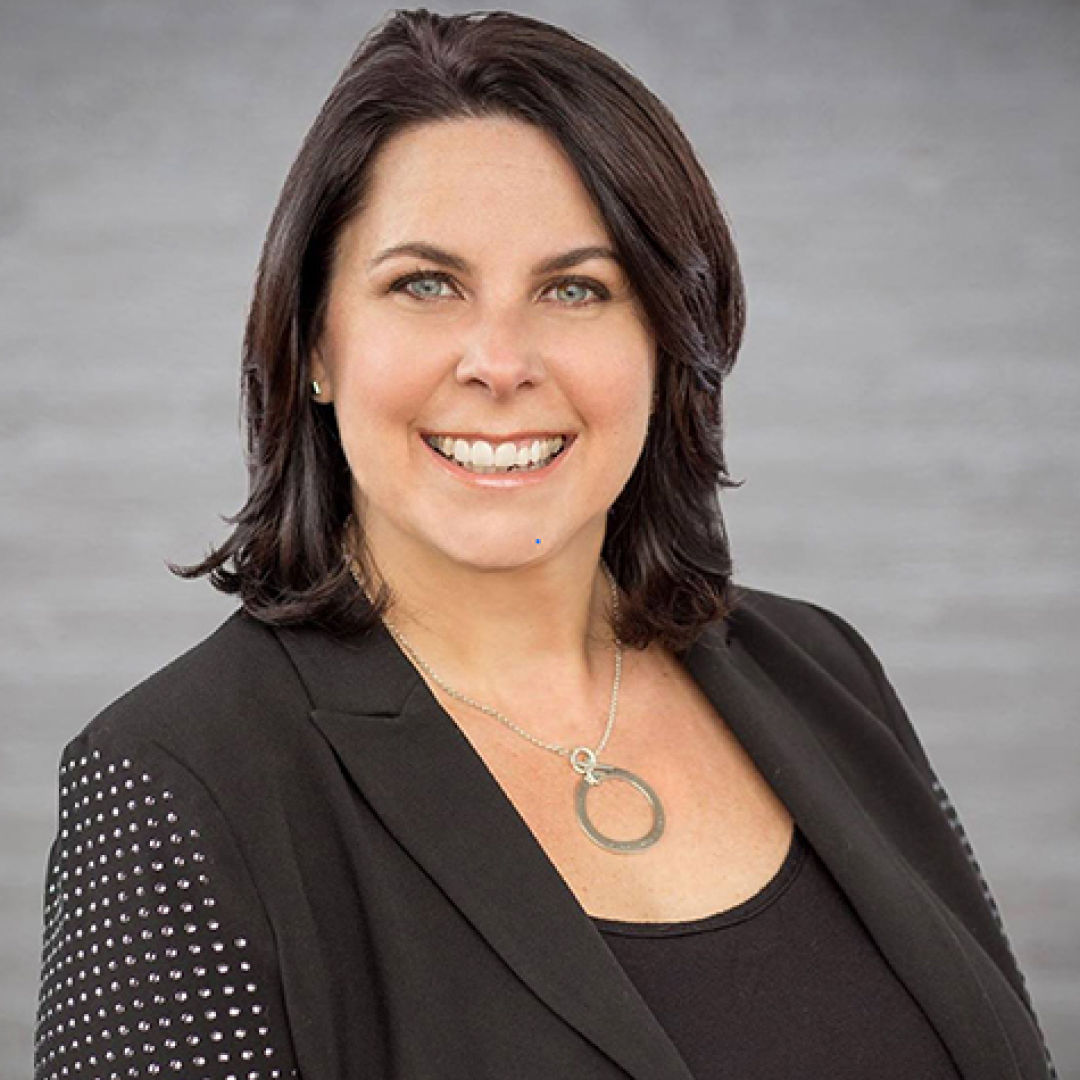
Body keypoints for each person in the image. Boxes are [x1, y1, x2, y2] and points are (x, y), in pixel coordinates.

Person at [33, 8, 1057, 1079]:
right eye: (425, 284)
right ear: (315, 345)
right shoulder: (173, 780)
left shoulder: (824, 674)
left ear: (665, 344)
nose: (501, 360)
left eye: (577, 288)